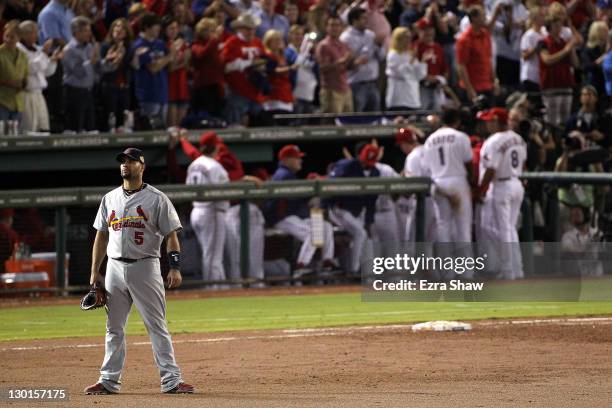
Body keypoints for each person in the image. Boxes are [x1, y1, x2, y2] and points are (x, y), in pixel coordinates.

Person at [85, 147, 193, 395]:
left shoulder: (156, 199)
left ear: (142, 167)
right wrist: (95, 273)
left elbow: (171, 235)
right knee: (113, 327)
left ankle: (171, 380)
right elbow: (101, 236)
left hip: (146, 266)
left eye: (131, 161)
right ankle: (108, 381)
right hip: (114, 267)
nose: (125, 164)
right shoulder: (109, 198)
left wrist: (174, 267)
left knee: (156, 325)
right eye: (122, 161)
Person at [265, 144, 336, 273]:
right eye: (296, 158)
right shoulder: (283, 175)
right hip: (281, 217)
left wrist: (310, 186)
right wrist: (311, 189)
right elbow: (295, 198)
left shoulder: (288, 174)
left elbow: (297, 199)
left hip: (293, 216)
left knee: (325, 226)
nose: (300, 160)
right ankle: (301, 266)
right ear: (286, 160)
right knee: (314, 233)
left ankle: (327, 262)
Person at [476, 107, 527, 280]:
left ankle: (508, 271)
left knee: (503, 229)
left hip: (501, 185)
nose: (487, 124)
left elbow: (491, 168)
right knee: (510, 229)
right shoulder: (518, 138)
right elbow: (524, 163)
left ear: (497, 121)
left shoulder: (494, 140)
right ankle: (517, 268)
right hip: (516, 182)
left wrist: (481, 189)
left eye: (490, 121)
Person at [325, 143, 380, 276]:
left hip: (356, 211)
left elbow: (371, 200)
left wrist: (369, 220)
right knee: (360, 233)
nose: (368, 164)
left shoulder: (375, 172)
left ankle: (365, 271)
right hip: (338, 209)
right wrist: (324, 207)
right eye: (367, 160)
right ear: (360, 156)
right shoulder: (347, 165)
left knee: (366, 238)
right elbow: (328, 185)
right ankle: (354, 271)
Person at [422, 108, 473, 250]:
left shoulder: (430, 140)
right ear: (457, 120)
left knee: (443, 226)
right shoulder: (461, 136)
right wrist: (472, 182)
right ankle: (466, 271)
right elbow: (468, 163)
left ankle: (447, 271)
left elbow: (426, 167)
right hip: (458, 181)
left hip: (438, 182)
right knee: (463, 227)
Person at [186, 131, 229, 285]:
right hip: (212, 211)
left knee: (209, 254)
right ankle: (213, 290)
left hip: (197, 210)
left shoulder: (194, 164)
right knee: (213, 256)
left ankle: (220, 288)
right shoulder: (214, 166)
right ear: (215, 147)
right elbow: (222, 191)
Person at [221, 13, 267, 126]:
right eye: (247, 28)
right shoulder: (232, 42)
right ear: (239, 28)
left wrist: (262, 66)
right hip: (237, 90)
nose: (251, 31)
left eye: (253, 28)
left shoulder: (258, 42)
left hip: (256, 91)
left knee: (257, 126)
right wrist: (250, 63)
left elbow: (265, 59)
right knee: (235, 125)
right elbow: (226, 66)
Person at [132, 12, 176, 129]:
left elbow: (170, 66)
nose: (158, 30)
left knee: (162, 131)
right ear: (146, 27)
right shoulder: (139, 45)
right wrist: (169, 56)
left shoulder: (160, 44)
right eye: (156, 27)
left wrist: (176, 56)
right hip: (148, 95)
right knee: (149, 128)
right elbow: (152, 68)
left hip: (162, 93)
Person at [17, 20, 61, 134]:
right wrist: (45, 53)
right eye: (34, 32)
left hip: (39, 94)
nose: (37, 35)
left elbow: (46, 72)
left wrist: (52, 61)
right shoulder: (19, 49)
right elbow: (30, 68)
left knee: (43, 128)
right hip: (27, 94)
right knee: (29, 129)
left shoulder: (37, 48)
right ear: (24, 34)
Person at [455, 4, 502, 106]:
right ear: (474, 18)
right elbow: (461, 66)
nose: (485, 18)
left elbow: (488, 60)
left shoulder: (486, 36)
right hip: (473, 87)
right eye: (482, 15)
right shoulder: (464, 40)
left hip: (487, 86)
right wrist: (469, 89)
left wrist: (495, 80)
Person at [538, 14, 579, 128]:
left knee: (565, 120)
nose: (559, 28)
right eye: (556, 25)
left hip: (565, 84)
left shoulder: (564, 42)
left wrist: (571, 49)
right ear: (549, 27)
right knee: (552, 121)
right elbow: (547, 60)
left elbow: (575, 63)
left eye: (560, 25)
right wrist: (566, 51)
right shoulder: (543, 42)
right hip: (551, 86)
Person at [340, 7, 384, 112]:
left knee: (374, 118)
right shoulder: (346, 38)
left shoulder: (371, 35)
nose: (367, 21)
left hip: (373, 82)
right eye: (363, 18)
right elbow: (346, 62)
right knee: (358, 117)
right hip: (356, 83)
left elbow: (381, 57)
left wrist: (378, 45)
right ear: (354, 21)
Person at [62, 16, 98, 133]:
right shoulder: (69, 50)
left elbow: (96, 68)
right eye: (86, 31)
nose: (89, 34)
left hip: (88, 91)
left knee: (90, 129)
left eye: (89, 30)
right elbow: (78, 72)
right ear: (77, 32)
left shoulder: (89, 47)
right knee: (75, 129)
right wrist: (91, 62)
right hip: (74, 92)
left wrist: (110, 61)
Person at [315, 16, 355, 114]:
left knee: (348, 122)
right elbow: (322, 68)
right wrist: (341, 61)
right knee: (331, 123)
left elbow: (347, 67)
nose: (335, 28)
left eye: (337, 25)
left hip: (345, 88)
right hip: (331, 90)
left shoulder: (343, 45)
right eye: (332, 25)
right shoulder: (323, 45)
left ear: (341, 28)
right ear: (326, 27)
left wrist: (353, 61)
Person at [99, 18, 132, 132]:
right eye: (117, 26)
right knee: (109, 115)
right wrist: (112, 59)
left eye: (122, 28)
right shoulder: (105, 46)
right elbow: (101, 68)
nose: (119, 29)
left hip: (124, 86)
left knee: (123, 116)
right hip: (109, 86)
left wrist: (122, 56)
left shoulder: (129, 48)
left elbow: (131, 66)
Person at [191, 17, 225, 120]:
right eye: (207, 30)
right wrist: (214, 40)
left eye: (212, 30)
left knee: (218, 114)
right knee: (207, 115)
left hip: (217, 85)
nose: (211, 33)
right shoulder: (196, 45)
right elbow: (202, 54)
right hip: (204, 86)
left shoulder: (215, 45)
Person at [385, 26, 427, 110]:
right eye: (406, 38)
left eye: (409, 37)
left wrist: (422, 62)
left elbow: (420, 76)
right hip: (398, 100)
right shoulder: (393, 55)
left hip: (413, 99)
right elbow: (401, 74)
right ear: (399, 39)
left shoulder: (409, 54)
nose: (409, 40)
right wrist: (411, 61)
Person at [163, 16, 191, 127]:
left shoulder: (183, 44)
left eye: (176, 28)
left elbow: (188, 67)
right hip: (170, 87)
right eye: (171, 28)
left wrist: (186, 60)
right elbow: (170, 68)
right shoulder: (164, 45)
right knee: (172, 126)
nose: (174, 31)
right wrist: (183, 61)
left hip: (182, 87)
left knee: (181, 126)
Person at [262, 29, 295, 122]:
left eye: (280, 39)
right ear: (268, 41)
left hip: (286, 93)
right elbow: (272, 71)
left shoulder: (283, 56)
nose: (278, 42)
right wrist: (290, 68)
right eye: (275, 39)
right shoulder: (267, 55)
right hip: (273, 96)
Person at [0, 20, 28, 127]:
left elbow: (26, 76)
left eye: (12, 37)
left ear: (19, 38)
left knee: (15, 138)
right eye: (6, 36)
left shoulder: (23, 56)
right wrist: (8, 83)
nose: (8, 39)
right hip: (2, 102)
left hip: (18, 103)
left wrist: (23, 85)